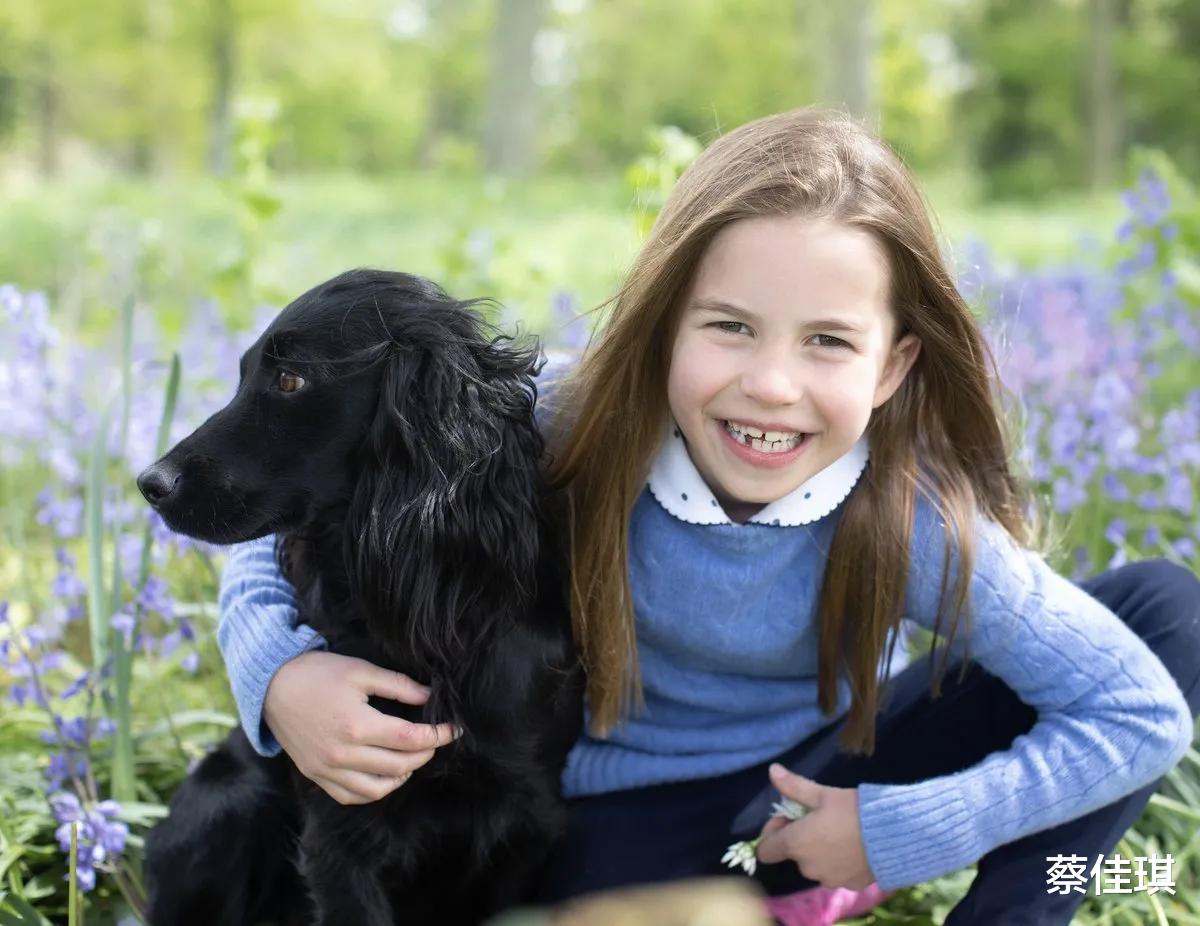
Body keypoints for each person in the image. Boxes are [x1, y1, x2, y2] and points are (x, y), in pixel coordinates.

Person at [215, 108, 1200, 924]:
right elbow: (285, 501)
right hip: (629, 825)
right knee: (683, 896)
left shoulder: (907, 516)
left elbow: (1140, 708)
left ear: (892, 365)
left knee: (1164, 608)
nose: (770, 385)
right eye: (729, 325)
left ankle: (981, 902)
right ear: (665, 321)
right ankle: (788, 891)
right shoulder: (569, 423)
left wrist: (905, 825)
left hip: (829, 782)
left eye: (827, 341)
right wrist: (281, 676)